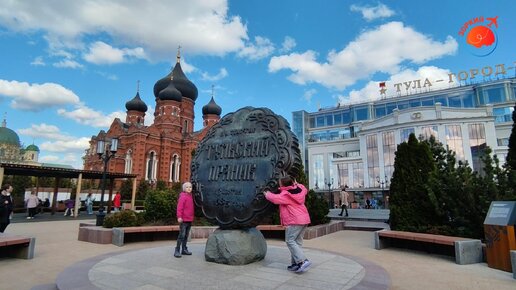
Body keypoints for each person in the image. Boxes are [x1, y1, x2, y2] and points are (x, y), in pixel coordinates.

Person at [264, 176, 312, 273]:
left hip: (294, 220)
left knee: (290, 241)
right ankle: (296, 264)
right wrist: (296, 183)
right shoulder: (300, 190)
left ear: (284, 184)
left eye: (280, 183)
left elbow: (275, 199)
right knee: (297, 243)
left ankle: (302, 261)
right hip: (304, 219)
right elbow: (304, 188)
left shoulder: (286, 194)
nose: (279, 184)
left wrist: (267, 194)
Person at [175, 182, 194, 258]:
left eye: (190, 187)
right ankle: (177, 250)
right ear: (184, 189)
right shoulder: (183, 197)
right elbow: (179, 207)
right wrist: (179, 216)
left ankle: (184, 249)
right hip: (183, 220)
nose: (189, 188)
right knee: (181, 235)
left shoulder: (191, 196)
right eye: (187, 187)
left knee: (186, 235)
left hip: (189, 219)